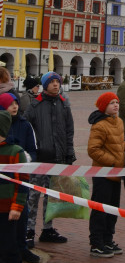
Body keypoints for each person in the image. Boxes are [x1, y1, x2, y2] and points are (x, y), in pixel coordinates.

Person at [25, 71, 76, 246]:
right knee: (33, 195)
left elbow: (69, 131)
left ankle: (47, 229)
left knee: (52, 195)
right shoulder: (35, 105)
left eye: (58, 81)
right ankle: (28, 230)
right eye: (52, 82)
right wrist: (32, 152)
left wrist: (69, 152)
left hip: (58, 157)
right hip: (39, 159)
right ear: (45, 85)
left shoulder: (63, 104)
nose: (56, 84)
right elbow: (27, 129)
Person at [87, 92, 125, 257]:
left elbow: (118, 143)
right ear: (104, 106)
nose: (116, 105)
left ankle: (108, 239)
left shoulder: (119, 122)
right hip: (103, 174)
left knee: (113, 209)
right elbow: (93, 150)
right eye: (112, 103)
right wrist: (112, 162)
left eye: (117, 102)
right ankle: (96, 243)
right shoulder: (99, 125)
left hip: (116, 174)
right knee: (100, 209)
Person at [0, 93, 39, 263]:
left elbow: (33, 148)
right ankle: (5, 253)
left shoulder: (25, 125)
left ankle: (22, 248)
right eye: (10, 104)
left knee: (22, 213)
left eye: (16, 103)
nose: (14, 106)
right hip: (3, 181)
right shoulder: (1, 123)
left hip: (20, 174)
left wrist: (28, 158)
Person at [0, 110, 28, 263]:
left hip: (7, 210)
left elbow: (23, 182)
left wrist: (17, 207)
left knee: (9, 246)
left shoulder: (15, 152)